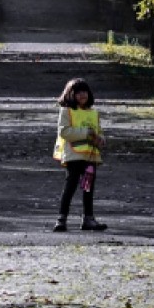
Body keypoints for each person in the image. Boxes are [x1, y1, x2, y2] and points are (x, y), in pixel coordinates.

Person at [52, 77, 107, 232]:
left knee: (88, 188)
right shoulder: (67, 111)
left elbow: (99, 131)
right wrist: (86, 133)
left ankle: (88, 218)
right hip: (73, 156)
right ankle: (61, 219)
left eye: (85, 92)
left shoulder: (93, 113)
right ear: (70, 94)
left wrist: (100, 139)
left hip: (90, 157)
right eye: (78, 92)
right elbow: (64, 132)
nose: (83, 95)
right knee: (71, 186)